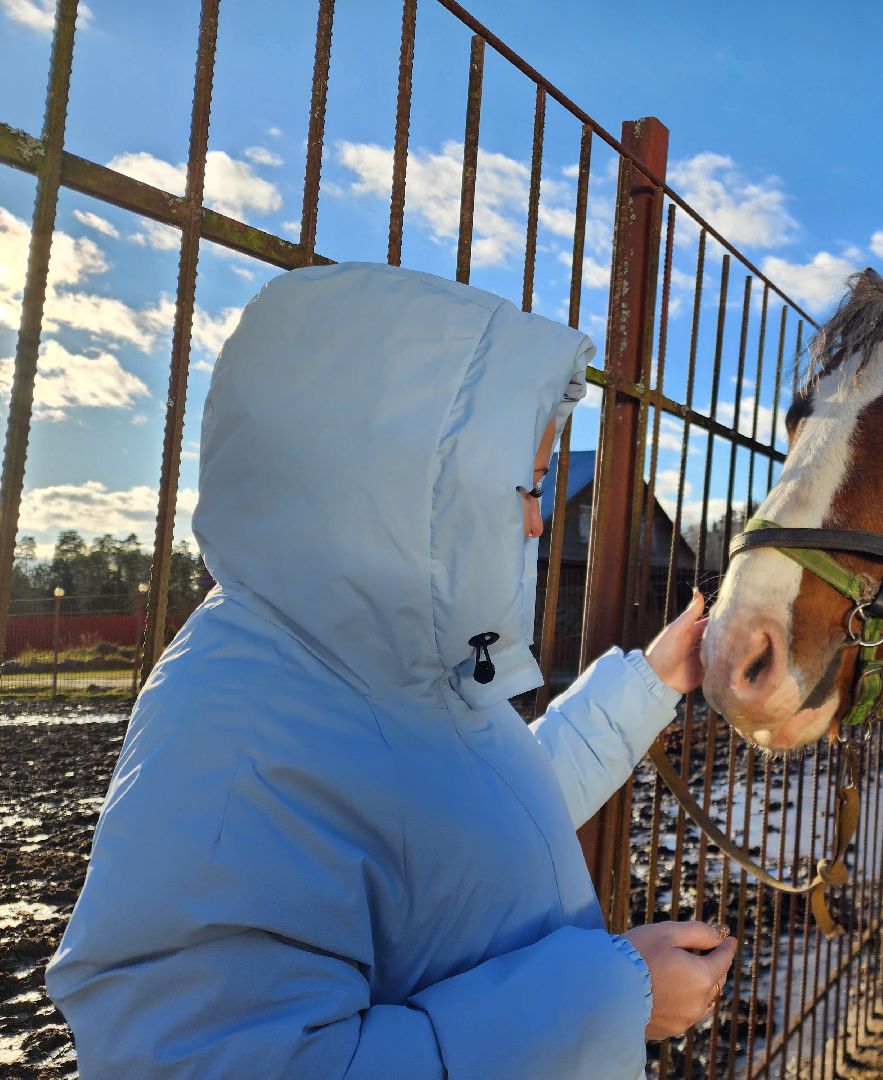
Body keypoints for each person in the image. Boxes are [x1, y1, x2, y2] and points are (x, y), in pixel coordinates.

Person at [47, 263, 737, 1079]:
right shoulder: (239, 734)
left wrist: (651, 680)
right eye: (530, 485)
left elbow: (483, 826)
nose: (538, 521)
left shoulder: (385, 665)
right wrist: (613, 997)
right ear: (413, 485)